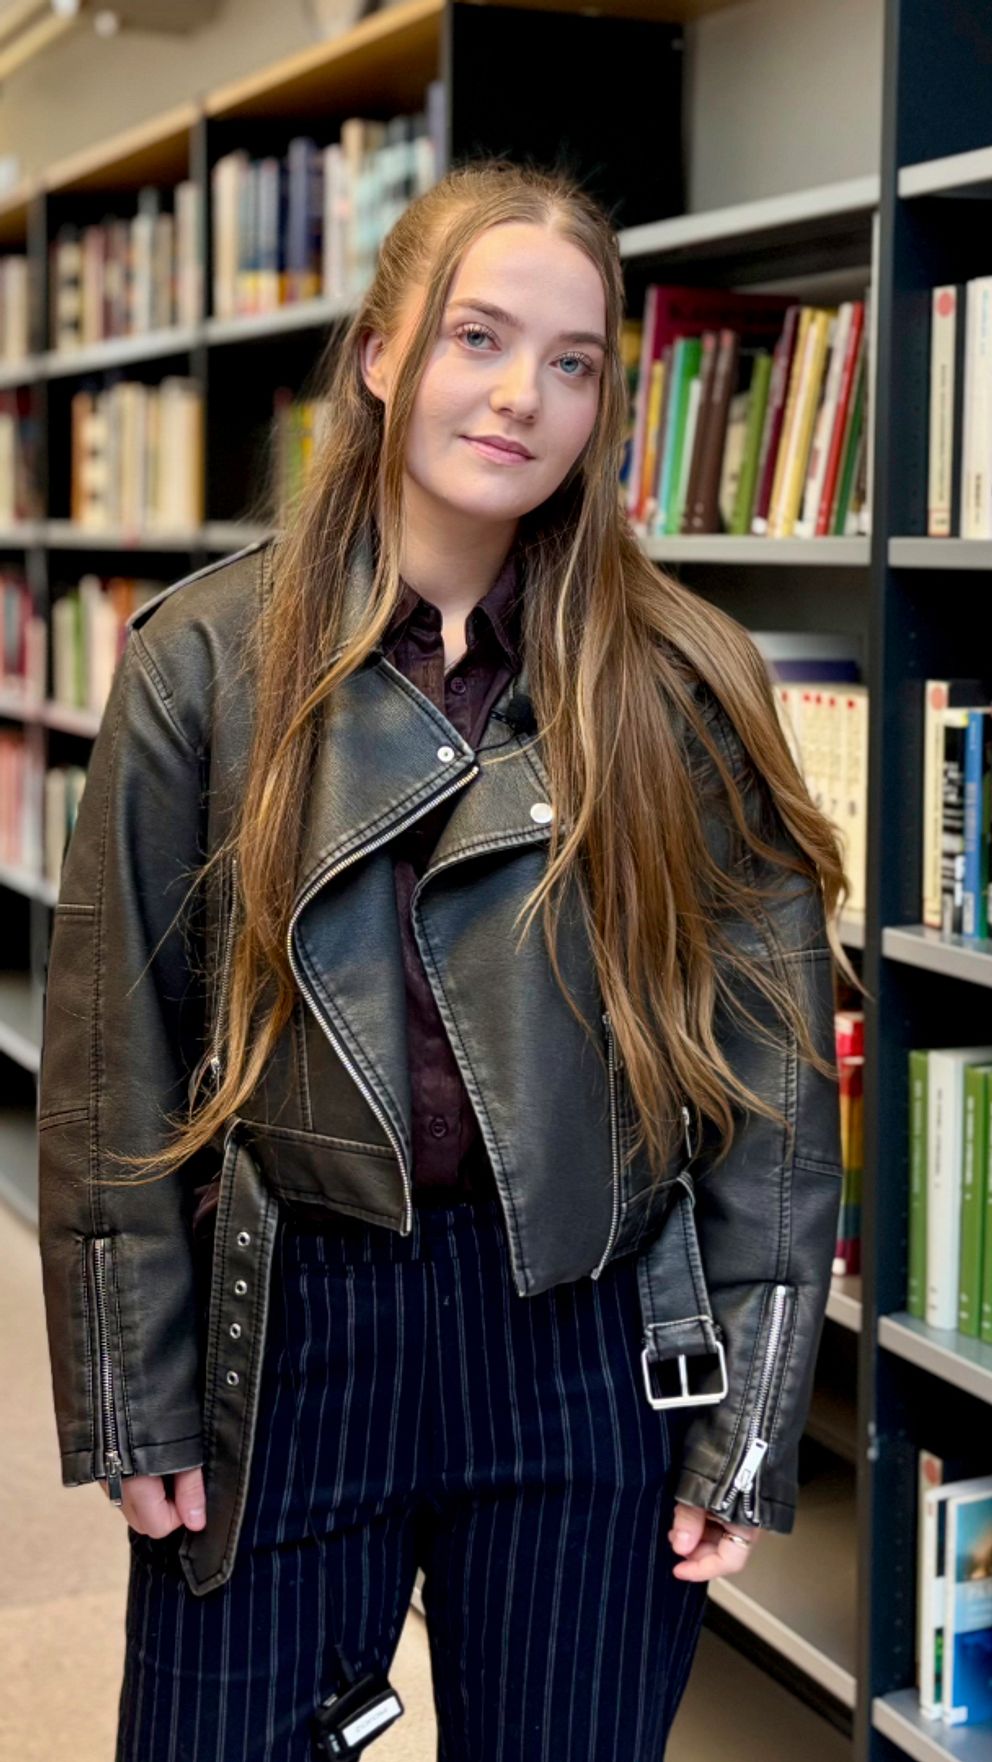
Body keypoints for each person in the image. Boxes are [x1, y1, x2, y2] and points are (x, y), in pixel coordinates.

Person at [37, 158, 857, 1760]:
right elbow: (112, 1049)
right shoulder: (203, 660)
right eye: (478, 337)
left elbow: (770, 1087)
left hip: (588, 1341)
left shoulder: (683, 679)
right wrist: (133, 1390)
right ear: (378, 355)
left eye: (574, 362)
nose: (523, 395)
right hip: (289, 1320)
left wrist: (749, 1422)